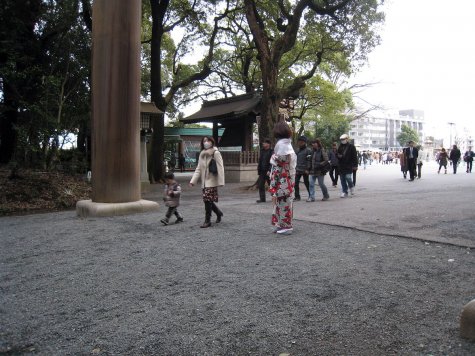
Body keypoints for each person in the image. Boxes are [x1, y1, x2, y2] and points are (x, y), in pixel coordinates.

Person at [189, 136, 225, 228]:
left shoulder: (215, 153)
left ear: (212, 142)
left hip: (212, 180)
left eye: (208, 140)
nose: (206, 142)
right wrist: (193, 181)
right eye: (204, 141)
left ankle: (207, 220)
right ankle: (218, 213)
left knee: (207, 200)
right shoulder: (202, 154)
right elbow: (198, 169)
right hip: (204, 181)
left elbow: (221, 167)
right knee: (208, 200)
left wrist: (221, 181)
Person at [269, 121, 297, 235]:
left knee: (283, 201)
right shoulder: (286, 143)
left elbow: (281, 161)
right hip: (287, 176)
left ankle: (286, 226)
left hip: (283, 177)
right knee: (283, 201)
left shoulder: (282, 144)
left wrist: (273, 159)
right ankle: (281, 224)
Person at [337, 134, 358, 198]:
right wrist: (338, 156)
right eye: (341, 140)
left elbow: (355, 157)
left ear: (347, 139)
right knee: (342, 179)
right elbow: (338, 154)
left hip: (349, 165)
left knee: (348, 177)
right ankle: (344, 191)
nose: (342, 141)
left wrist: (355, 165)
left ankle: (351, 187)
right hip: (341, 165)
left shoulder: (352, 147)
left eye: (343, 139)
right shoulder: (340, 147)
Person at [294, 135, 312, 201]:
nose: (300, 143)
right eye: (299, 142)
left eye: (301, 142)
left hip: (305, 170)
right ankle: (297, 196)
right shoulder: (297, 150)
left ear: (305, 142)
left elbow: (309, 161)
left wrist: (307, 169)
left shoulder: (308, 150)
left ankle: (311, 195)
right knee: (295, 183)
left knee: (306, 183)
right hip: (298, 169)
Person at [256, 139, 273, 203]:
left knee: (271, 185)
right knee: (260, 185)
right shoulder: (262, 151)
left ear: (268, 144)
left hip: (268, 171)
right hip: (262, 171)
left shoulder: (271, 152)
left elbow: (272, 162)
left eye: (265, 143)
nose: (263, 144)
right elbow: (260, 161)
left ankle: (274, 197)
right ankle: (262, 199)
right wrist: (259, 169)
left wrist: (269, 170)